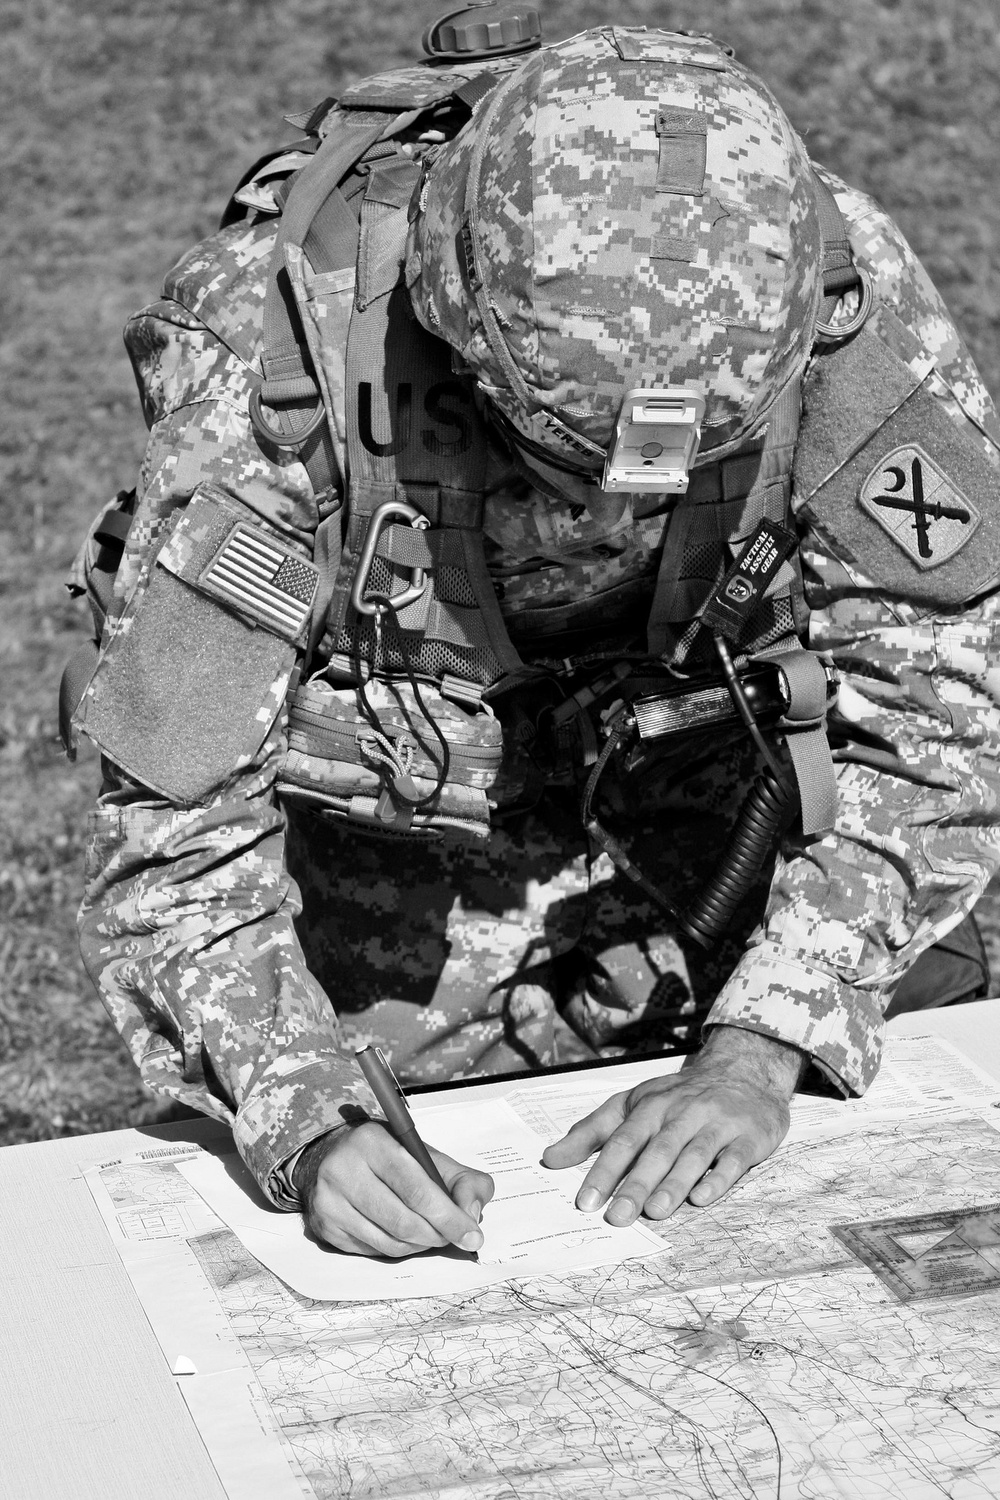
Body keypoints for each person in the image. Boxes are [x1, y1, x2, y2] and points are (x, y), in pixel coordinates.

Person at [67, 17, 1000, 1261]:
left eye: (685, 468)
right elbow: (174, 831)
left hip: (708, 787)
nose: (620, 508)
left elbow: (942, 710)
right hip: (395, 856)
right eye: (562, 459)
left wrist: (769, 1033)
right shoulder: (272, 363)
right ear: (453, 333)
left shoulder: (827, 299)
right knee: (339, 1213)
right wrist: (311, 1111)